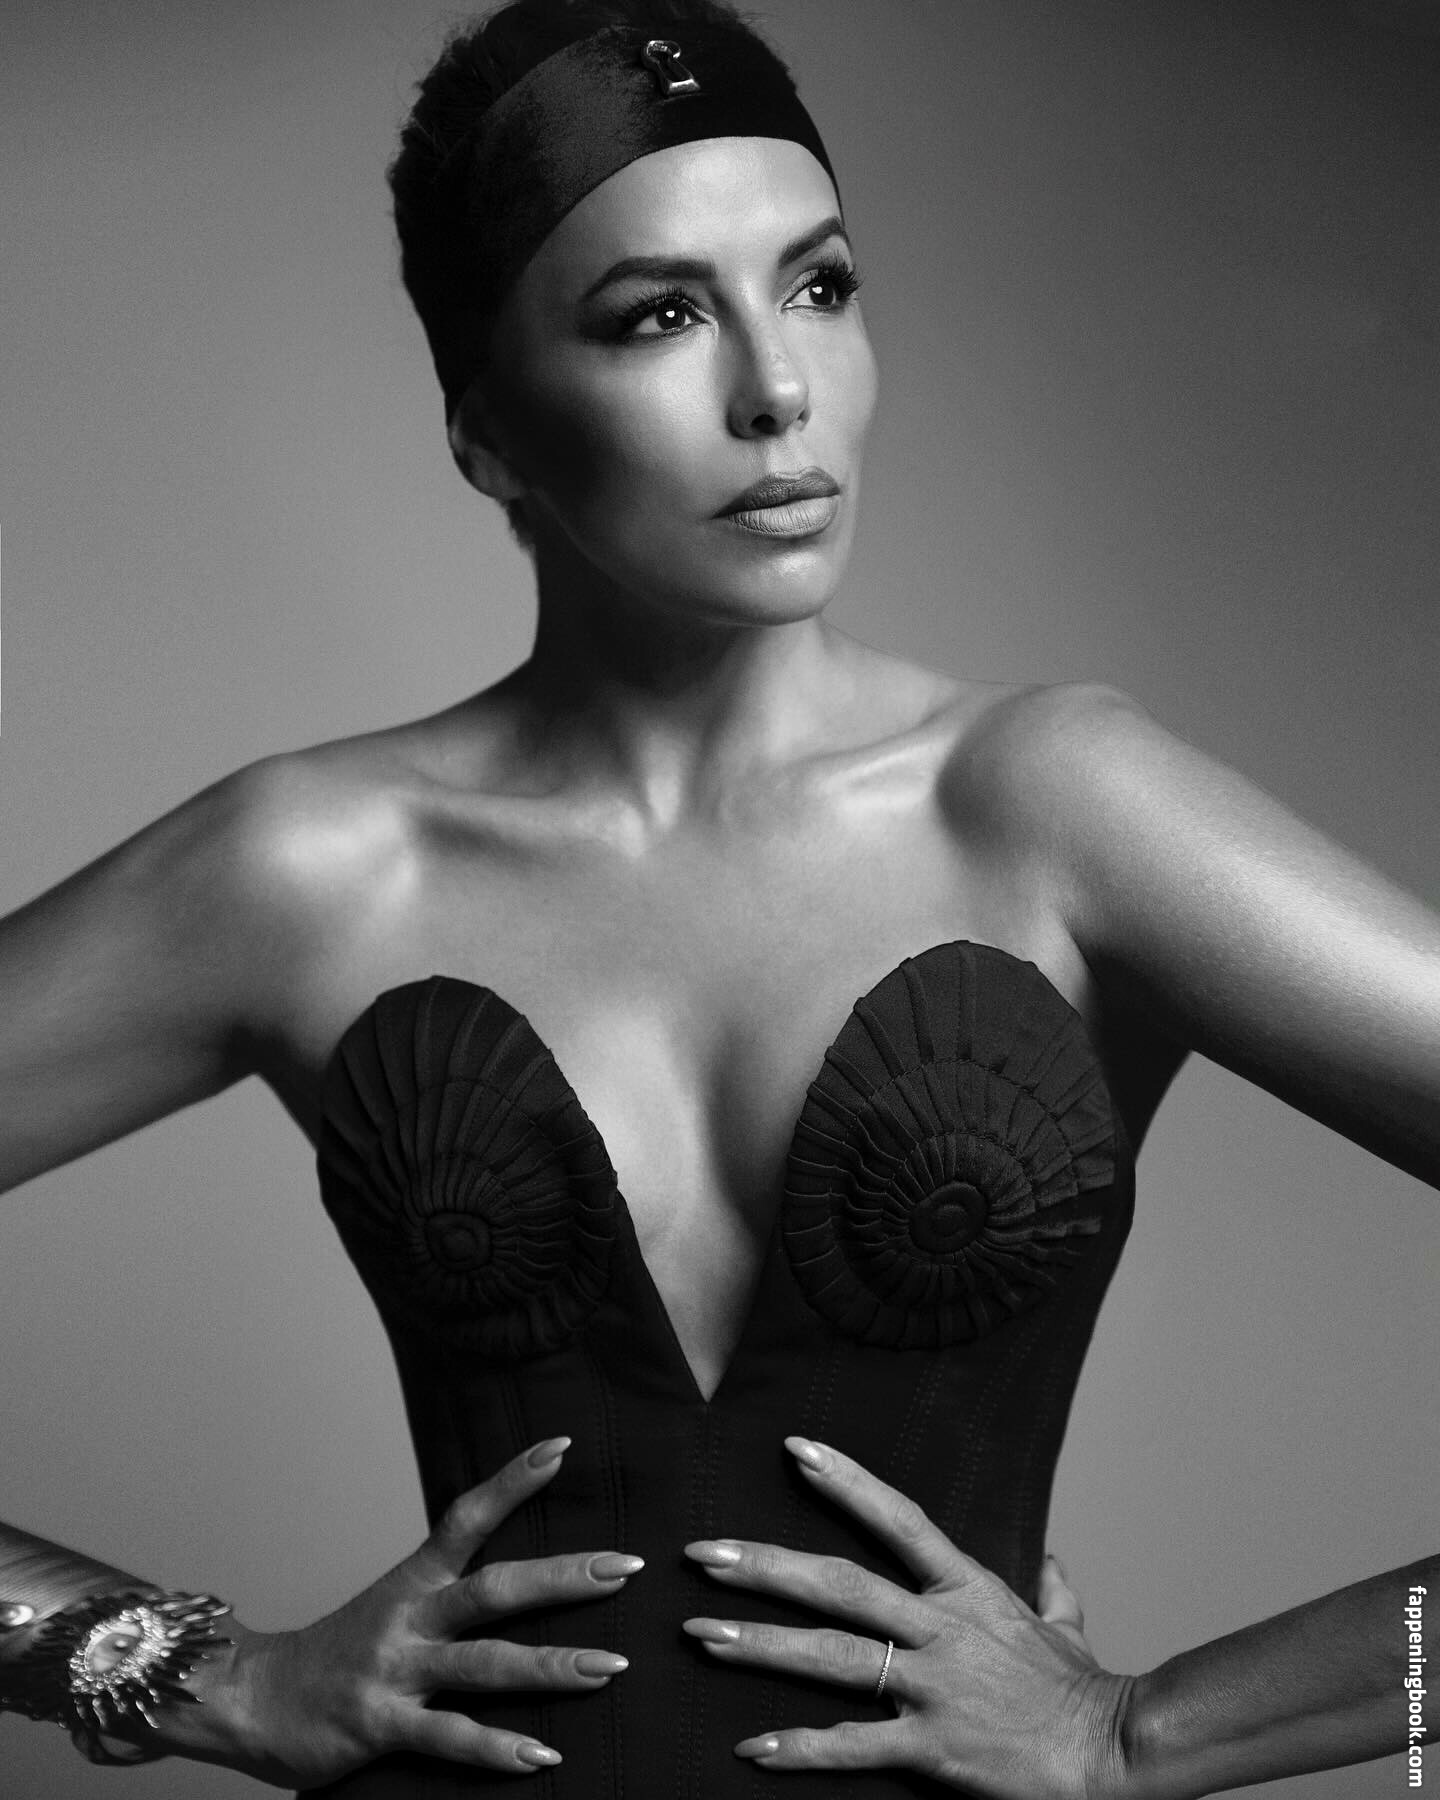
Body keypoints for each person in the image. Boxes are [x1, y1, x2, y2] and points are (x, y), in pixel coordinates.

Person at [0, 0, 1435, 1794]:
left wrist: (1142, 1736)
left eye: (819, 286)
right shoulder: (307, 873)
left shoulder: (1056, 809)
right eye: (659, 316)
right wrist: (174, 1671)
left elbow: (1149, 1737)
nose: (779, 389)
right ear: (487, 433)